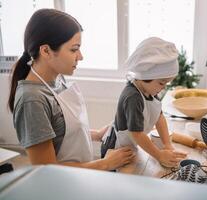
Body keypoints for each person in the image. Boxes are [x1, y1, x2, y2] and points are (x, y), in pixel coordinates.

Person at [8, 9, 134, 171]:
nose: (80, 56)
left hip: (78, 177)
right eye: (74, 49)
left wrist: (97, 134)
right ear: (46, 51)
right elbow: (47, 170)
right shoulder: (32, 100)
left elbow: (61, 134)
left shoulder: (57, 79)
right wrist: (106, 163)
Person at [101, 37, 187, 168]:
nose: (163, 87)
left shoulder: (151, 90)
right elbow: (137, 133)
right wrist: (159, 155)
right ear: (145, 77)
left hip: (131, 145)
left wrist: (167, 144)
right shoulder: (133, 98)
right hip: (115, 148)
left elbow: (159, 117)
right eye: (161, 83)